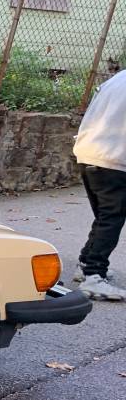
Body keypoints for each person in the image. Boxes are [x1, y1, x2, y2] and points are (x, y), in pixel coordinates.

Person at [73, 69, 126, 301]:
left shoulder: (118, 78)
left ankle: (86, 263)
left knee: (105, 216)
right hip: (115, 158)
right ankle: (94, 276)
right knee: (112, 218)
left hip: (88, 153)